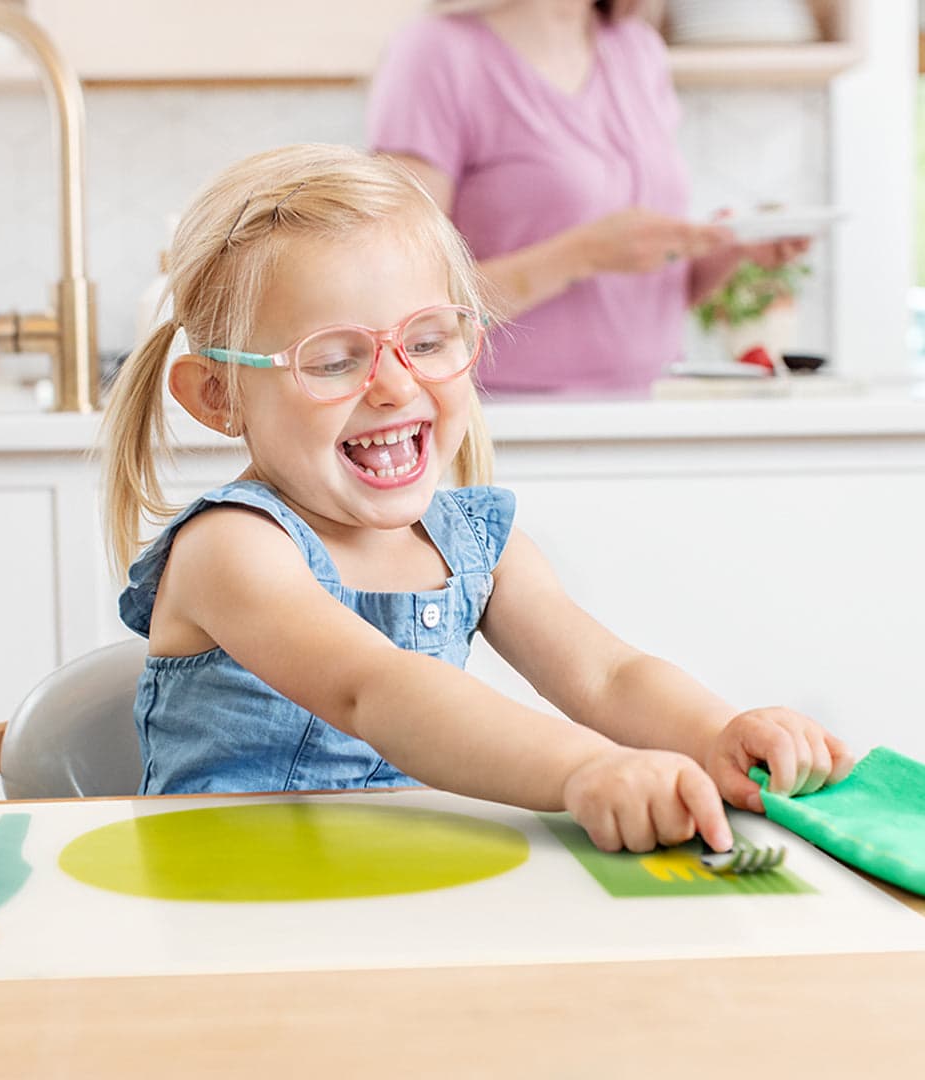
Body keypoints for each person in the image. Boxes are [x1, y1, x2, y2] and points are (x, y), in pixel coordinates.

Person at [101, 143, 851, 855]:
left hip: (397, 887)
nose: (396, 386)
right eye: (332, 361)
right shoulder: (234, 550)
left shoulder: (474, 544)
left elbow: (606, 676)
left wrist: (716, 733)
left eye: (426, 342)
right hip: (221, 908)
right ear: (218, 395)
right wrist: (580, 769)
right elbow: (378, 689)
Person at [366, 0, 809, 395]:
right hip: (507, 415)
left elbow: (647, 289)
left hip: (655, 401)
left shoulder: (638, 50)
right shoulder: (434, 53)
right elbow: (401, 294)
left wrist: (726, 250)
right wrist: (584, 253)